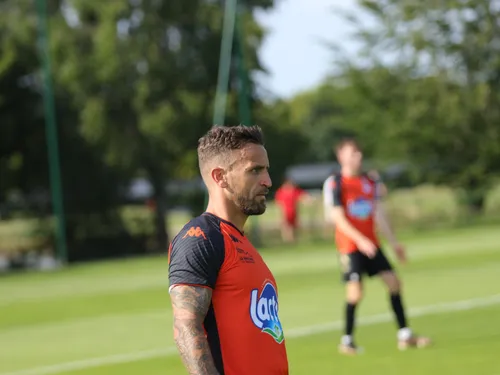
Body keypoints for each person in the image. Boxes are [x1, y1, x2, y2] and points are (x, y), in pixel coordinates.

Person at [168, 125, 289, 375]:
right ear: (220, 177)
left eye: (266, 169)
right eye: (255, 171)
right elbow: (186, 325)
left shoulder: (240, 240)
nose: (268, 181)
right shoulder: (201, 238)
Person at [324, 138, 431, 355]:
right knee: (355, 293)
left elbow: (379, 215)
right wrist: (359, 240)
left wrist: (394, 243)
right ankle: (347, 341)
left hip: (372, 244)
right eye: (352, 153)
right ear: (341, 156)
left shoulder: (369, 182)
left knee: (393, 283)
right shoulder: (337, 182)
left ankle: (405, 335)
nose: (358, 157)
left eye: (359, 152)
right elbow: (338, 217)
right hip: (350, 246)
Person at [274, 179, 312, 243]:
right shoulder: (280, 192)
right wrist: (280, 215)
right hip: (285, 212)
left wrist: (308, 200)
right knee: (286, 228)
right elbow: (278, 204)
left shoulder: (294, 191)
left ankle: (292, 241)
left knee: (294, 228)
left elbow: (303, 196)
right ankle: (287, 242)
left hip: (294, 212)